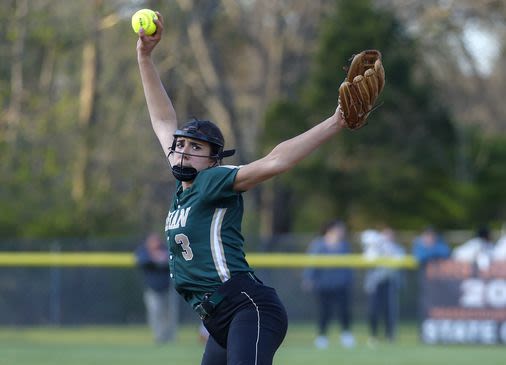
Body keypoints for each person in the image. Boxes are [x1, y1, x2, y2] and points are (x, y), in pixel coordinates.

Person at [136, 12, 349, 365]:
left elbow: (276, 161)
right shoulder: (185, 181)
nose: (184, 150)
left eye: (196, 147)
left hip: (248, 309)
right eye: (181, 144)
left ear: (213, 160)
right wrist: (144, 57)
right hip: (219, 320)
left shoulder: (210, 181)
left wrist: (335, 122)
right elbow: (162, 121)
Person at [302, 220, 355, 349]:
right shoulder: (318, 244)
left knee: (344, 311)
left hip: (341, 284)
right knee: (324, 312)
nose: (342, 232)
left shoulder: (344, 246)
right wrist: (308, 278)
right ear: (331, 230)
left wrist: (350, 280)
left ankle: (346, 335)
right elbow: (312, 263)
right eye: (340, 229)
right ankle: (322, 337)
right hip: (323, 285)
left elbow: (349, 266)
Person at [360, 228, 405, 346]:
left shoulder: (398, 248)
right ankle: (373, 335)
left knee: (390, 311)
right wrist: (377, 249)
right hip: (375, 284)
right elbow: (368, 259)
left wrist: (388, 253)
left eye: (390, 236)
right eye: (385, 236)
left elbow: (399, 262)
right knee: (373, 310)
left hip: (390, 283)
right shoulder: (373, 248)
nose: (387, 239)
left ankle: (390, 336)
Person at [134, 232, 174, 343]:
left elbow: (172, 260)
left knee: (168, 315)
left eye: (157, 240)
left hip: (167, 289)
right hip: (152, 290)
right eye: (152, 241)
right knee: (155, 315)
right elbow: (141, 261)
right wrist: (156, 258)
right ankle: (159, 337)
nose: (155, 243)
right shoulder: (143, 251)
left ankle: (169, 338)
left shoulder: (166, 249)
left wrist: (161, 258)